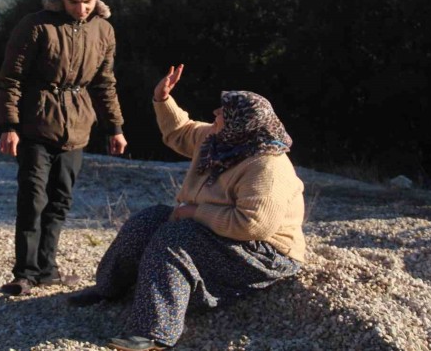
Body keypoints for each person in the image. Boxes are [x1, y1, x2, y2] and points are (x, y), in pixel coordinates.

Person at [69, 64, 306, 351]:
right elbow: (181, 131)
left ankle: (153, 334)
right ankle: (108, 288)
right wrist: (162, 99)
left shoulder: (266, 165)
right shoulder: (220, 142)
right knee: (148, 220)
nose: (217, 114)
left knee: (175, 239)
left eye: (225, 113)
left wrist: (194, 213)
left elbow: (253, 225)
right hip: (220, 234)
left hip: (264, 253)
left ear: (242, 126)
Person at [0, 0, 127, 296]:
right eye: (73, 1)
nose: (80, 8)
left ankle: (48, 270)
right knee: (32, 198)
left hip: (78, 127)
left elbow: (105, 83)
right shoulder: (35, 25)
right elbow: (11, 79)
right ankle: (24, 273)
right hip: (35, 124)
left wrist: (115, 127)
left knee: (60, 201)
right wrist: (10, 126)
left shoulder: (104, 31)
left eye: (87, 1)